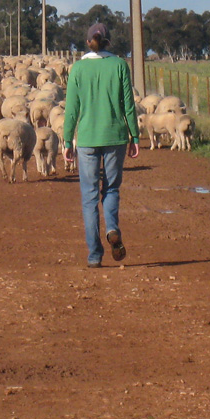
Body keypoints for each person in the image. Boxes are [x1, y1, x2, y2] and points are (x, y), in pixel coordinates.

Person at [63, 22, 140, 268]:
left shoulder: (78, 69)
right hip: (115, 136)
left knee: (89, 197)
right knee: (112, 189)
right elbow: (129, 104)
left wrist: (67, 140)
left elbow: (72, 109)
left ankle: (95, 255)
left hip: (86, 139)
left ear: (88, 42)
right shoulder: (119, 65)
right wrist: (135, 136)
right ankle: (113, 228)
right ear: (108, 42)